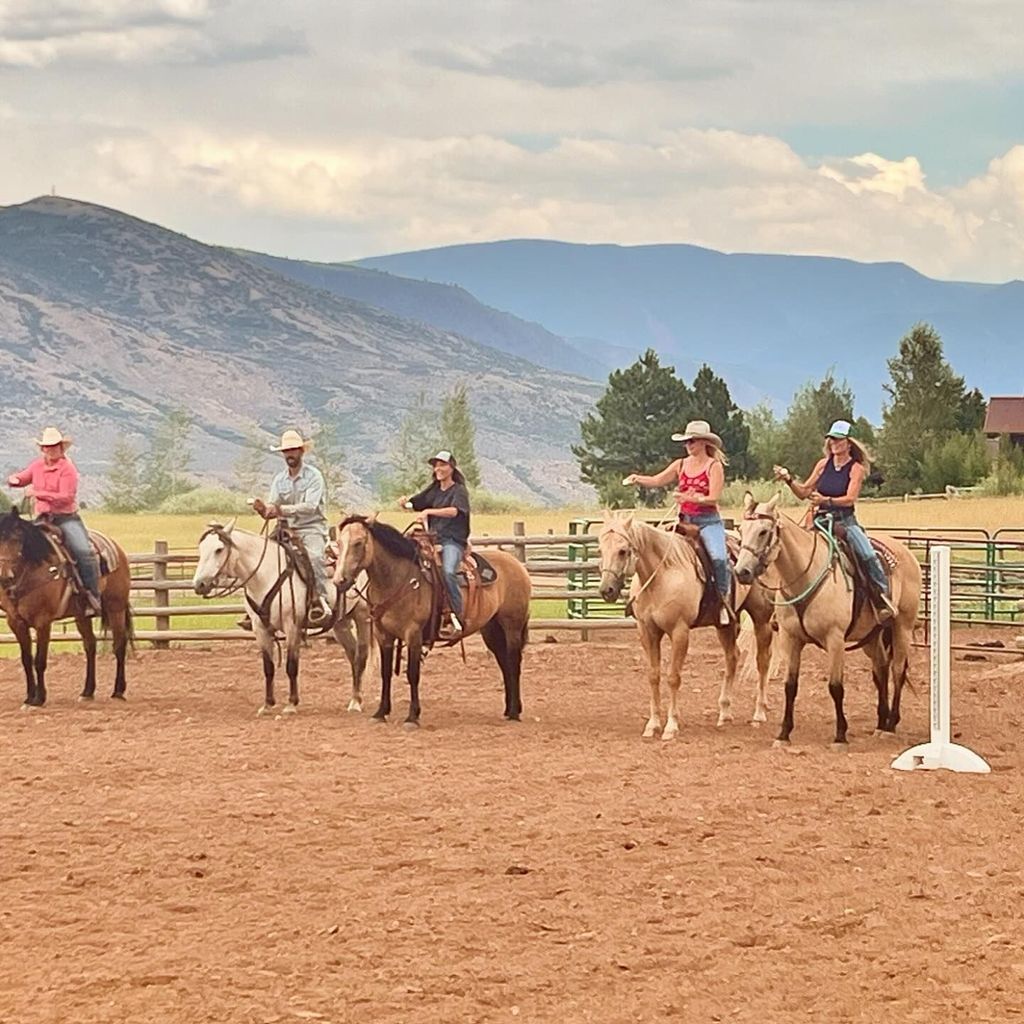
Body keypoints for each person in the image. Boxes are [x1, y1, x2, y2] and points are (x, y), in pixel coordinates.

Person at [773, 418, 897, 621]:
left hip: (844, 522)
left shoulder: (856, 468)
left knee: (867, 555)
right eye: (832, 440)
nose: (834, 444)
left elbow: (849, 499)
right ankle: (784, 605)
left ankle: (881, 598)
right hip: (819, 521)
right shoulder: (823, 465)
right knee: (791, 553)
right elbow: (804, 492)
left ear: (849, 443)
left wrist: (825, 499)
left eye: (839, 440)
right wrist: (789, 480)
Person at [624, 419, 733, 625]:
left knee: (719, 558)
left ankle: (723, 601)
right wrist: (638, 479)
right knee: (655, 552)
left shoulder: (714, 466)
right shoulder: (680, 464)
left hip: (708, 522)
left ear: (703, 442)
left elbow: (714, 498)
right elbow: (658, 480)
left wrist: (689, 498)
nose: (688, 445)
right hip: (684, 521)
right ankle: (646, 598)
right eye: (686, 442)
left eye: (691, 441)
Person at [6, 427, 103, 615]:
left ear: (61, 448)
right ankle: (18, 590)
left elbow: (66, 497)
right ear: (42, 449)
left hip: (66, 518)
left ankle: (92, 595)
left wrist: (38, 493)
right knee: (20, 547)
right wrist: (14, 479)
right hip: (42, 518)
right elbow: (24, 477)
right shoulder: (37, 466)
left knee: (83, 551)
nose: (51, 450)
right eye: (47, 447)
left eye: (55, 446)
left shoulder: (68, 469)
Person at [252, 429, 332, 625]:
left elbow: (310, 507)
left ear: (301, 451)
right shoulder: (279, 480)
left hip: (311, 527)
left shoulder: (314, 476)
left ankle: (319, 600)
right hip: (286, 528)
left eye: (293, 450)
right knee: (260, 556)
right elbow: (274, 504)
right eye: (286, 451)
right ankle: (257, 606)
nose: (290, 455)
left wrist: (279, 510)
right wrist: (265, 509)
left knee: (313, 557)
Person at [399, 450, 471, 635]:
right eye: (436, 465)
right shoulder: (434, 490)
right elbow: (418, 502)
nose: (438, 468)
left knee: (447, 571)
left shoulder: (459, 491)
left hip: (452, 540)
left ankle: (456, 614)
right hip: (431, 538)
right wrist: (405, 503)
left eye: (442, 465)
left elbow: (456, 511)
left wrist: (429, 512)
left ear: (451, 467)